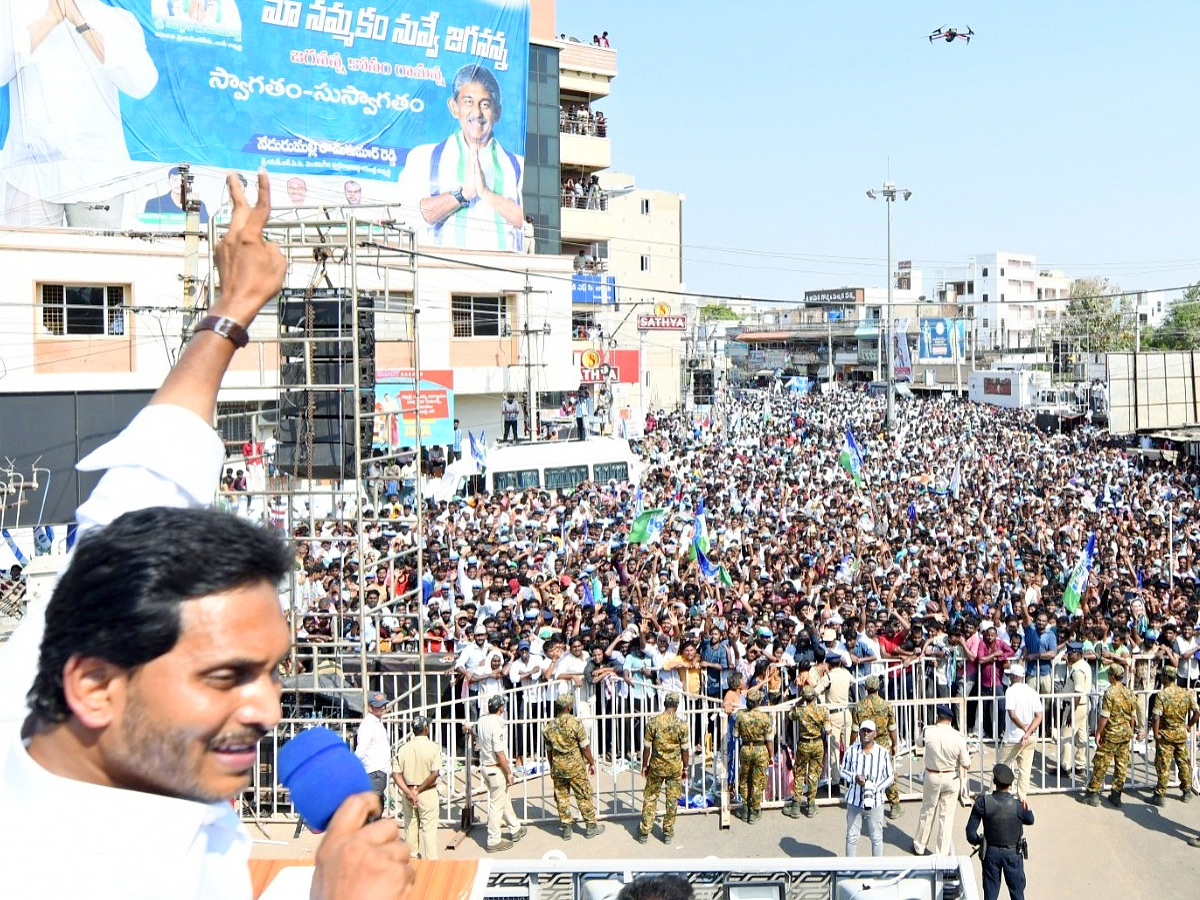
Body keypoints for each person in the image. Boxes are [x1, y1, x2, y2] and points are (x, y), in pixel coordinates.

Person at [0, 172, 416, 900]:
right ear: (95, 686)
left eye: (269, 671)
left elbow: (151, 474)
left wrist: (232, 309)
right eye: (226, 676)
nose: (267, 710)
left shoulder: (57, 655)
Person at [1, 0, 159, 227]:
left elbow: (141, 84)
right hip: (30, 175)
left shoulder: (117, 19)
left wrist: (82, 24)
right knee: (29, 261)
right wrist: (49, 19)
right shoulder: (15, 10)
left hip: (99, 176)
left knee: (95, 261)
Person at [395, 63, 525, 251]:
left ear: (497, 112)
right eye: (468, 102)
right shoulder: (424, 157)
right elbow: (411, 215)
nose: (477, 113)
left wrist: (487, 194)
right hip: (442, 273)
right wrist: (462, 194)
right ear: (454, 107)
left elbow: (530, 224)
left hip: (503, 273)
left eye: (485, 104)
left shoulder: (518, 166)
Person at [966, 764, 1034, 900]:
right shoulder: (1018, 806)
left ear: (994, 782)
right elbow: (1030, 820)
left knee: (990, 894)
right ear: (1010, 784)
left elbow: (970, 833)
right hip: (1013, 854)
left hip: (991, 853)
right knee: (1017, 894)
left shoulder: (982, 803)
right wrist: (1025, 805)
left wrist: (980, 841)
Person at [911, 704, 971, 856]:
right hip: (951, 776)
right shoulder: (958, 737)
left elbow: (918, 743)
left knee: (927, 811)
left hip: (932, 775)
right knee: (946, 817)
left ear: (937, 717)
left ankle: (919, 846)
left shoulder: (928, 732)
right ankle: (941, 853)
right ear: (951, 719)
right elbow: (966, 764)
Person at [543, 693, 604, 839]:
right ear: (569, 707)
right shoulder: (575, 724)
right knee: (583, 795)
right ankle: (590, 826)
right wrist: (591, 762)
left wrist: (552, 767)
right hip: (575, 767)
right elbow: (585, 747)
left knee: (561, 797)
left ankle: (566, 828)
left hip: (559, 767)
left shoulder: (549, 727)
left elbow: (549, 751)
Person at [471, 695, 525, 852]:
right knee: (496, 806)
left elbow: (474, 729)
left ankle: (515, 828)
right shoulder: (496, 724)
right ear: (501, 708)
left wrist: (467, 727)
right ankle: (493, 840)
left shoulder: (482, 720)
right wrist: (509, 772)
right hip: (495, 768)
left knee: (503, 798)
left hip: (486, 768)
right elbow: (499, 752)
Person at [1083, 662, 1137, 808]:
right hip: (1125, 734)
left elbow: (1104, 716)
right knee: (1121, 765)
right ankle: (1116, 794)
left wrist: (1099, 732)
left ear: (1112, 677)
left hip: (1112, 734)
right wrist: (1130, 730)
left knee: (1101, 763)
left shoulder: (1110, 692)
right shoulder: (1130, 692)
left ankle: (1093, 793)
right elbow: (1133, 716)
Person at [637, 691, 689, 844]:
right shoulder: (681, 725)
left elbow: (647, 748)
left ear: (664, 704)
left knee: (650, 797)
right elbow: (685, 750)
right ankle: (667, 832)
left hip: (656, 767)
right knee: (672, 800)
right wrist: (685, 768)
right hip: (674, 768)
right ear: (677, 706)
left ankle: (644, 832)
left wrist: (644, 765)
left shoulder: (653, 722)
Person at [840, 719, 895, 857]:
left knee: (876, 837)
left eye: (869, 731)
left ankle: (876, 871)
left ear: (875, 734)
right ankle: (849, 870)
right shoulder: (851, 751)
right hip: (855, 800)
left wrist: (875, 788)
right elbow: (842, 770)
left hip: (875, 802)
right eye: (863, 730)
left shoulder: (882, 753)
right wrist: (854, 778)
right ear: (859, 732)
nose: (866, 733)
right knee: (852, 836)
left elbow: (889, 776)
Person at [391, 715, 442, 860]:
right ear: (426, 729)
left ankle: (412, 862)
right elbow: (435, 773)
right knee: (429, 831)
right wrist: (418, 791)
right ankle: (432, 864)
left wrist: (409, 792)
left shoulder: (403, 748)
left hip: (408, 793)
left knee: (410, 828)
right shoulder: (433, 748)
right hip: (427, 792)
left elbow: (396, 774)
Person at [853, 675, 901, 818]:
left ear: (866, 688)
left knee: (866, 773)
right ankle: (895, 805)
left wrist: (851, 745)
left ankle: (867, 803)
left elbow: (855, 730)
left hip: (866, 743)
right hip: (883, 743)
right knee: (888, 774)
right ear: (878, 687)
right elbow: (892, 728)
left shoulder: (859, 706)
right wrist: (895, 744)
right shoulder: (886, 705)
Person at [1151, 664, 1198, 806]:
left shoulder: (1162, 695)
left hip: (1166, 735)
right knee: (1183, 763)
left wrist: (1155, 733)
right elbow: (1197, 712)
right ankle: (1187, 791)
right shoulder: (1185, 693)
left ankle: (1160, 795)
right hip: (1181, 733)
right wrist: (1189, 726)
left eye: (1162, 676)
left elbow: (1156, 716)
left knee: (1163, 765)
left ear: (1166, 678)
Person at [782, 685, 830, 819]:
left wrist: (799, 702)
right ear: (814, 697)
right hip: (817, 743)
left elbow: (790, 715)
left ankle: (796, 805)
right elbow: (828, 730)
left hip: (803, 743)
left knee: (799, 774)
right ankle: (811, 805)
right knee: (814, 774)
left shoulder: (800, 711)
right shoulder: (822, 711)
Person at [996, 663, 1041, 802]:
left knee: (1002, 766)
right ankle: (1022, 798)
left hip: (1014, 737)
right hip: (1029, 737)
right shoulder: (1032, 691)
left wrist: (1024, 729)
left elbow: (1012, 714)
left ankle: (1000, 796)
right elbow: (1039, 716)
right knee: (1025, 769)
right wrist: (1028, 732)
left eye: (1010, 675)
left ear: (1014, 677)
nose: (1008, 677)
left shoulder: (1010, 691)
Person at [734, 688, 773, 822]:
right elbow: (769, 739)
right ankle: (755, 810)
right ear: (759, 701)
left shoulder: (740, 715)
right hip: (760, 749)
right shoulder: (764, 717)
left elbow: (735, 735)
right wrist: (771, 755)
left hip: (745, 748)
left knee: (745, 779)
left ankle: (745, 808)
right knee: (758, 780)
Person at [355, 691, 392, 810]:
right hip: (374, 771)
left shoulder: (376, 722)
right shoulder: (369, 724)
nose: (382, 708)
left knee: (376, 808)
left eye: (383, 705)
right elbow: (361, 750)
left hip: (377, 771)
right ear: (370, 708)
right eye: (378, 706)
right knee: (373, 810)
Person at [1060, 641, 1092, 779]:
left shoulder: (1078, 670)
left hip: (1075, 705)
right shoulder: (1082, 665)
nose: (1068, 655)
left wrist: (1071, 713)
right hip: (1082, 705)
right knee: (1081, 736)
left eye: (1070, 653)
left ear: (1078, 654)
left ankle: (1065, 766)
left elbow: (1077, 692)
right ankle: (1080, 765)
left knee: (1065, 736)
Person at [143, 165, 211, 223]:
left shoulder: (199, 205)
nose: (179, 184)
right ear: (168, 182)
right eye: (175, 180)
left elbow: (206, 230)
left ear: (188, 182)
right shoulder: (154, 204)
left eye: (182, 180)